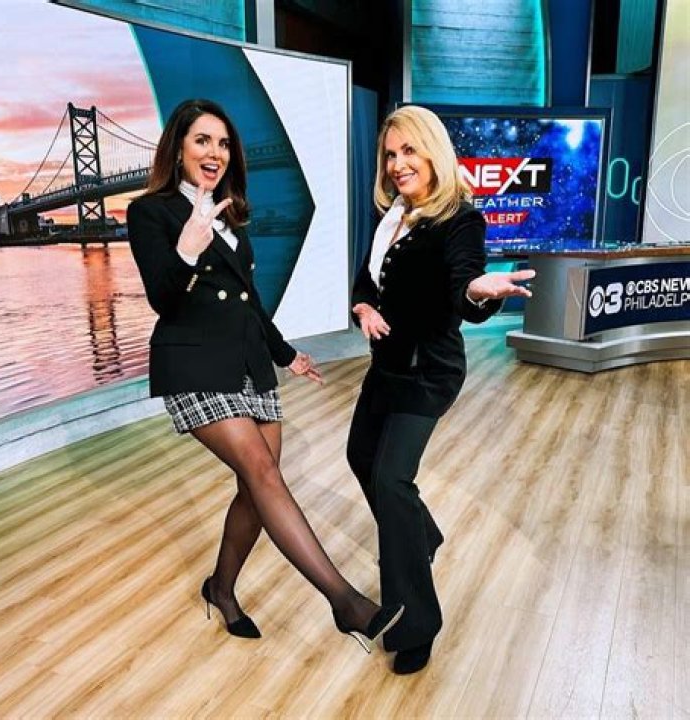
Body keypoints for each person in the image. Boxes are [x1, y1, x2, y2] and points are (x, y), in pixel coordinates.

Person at [127, 99, 403, 651]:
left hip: (249, 364)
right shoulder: (149, 212)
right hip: (195, 365)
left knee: (256, 489)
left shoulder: (228, 213)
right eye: (202, 140)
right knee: (263, 472)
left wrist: (286, 354)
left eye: (223, 143)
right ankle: (345, 602)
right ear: (178, 148)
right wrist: (187, 249)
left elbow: (249, 300)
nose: (215, 153)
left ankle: (220, 589)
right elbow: (163, 298)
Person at [347, 105, 535, 674]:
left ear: (434, 153)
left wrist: (478, 291)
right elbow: (367, 281)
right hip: (387, 364)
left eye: (409, 150)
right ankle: (421, 534)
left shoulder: (459, 220)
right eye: (390, 154)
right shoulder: (391, 217)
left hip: (429, 370)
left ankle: (416, 623)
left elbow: (463, 285)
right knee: (360, 456)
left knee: (391, 479)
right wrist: (362, 307)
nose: (398, 164)